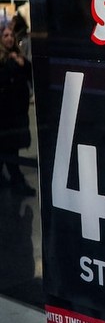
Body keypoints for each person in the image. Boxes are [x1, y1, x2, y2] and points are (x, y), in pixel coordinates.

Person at [0, 22, 35, 195]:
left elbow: (29, 74)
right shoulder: (5, 60)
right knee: (9, 147)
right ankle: (17, 180)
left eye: (11, 35)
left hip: (17, 112)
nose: (9, 39)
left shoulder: (19, 57)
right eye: (5, 36)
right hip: (5, 113)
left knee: (9, 146)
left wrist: (21, 63)